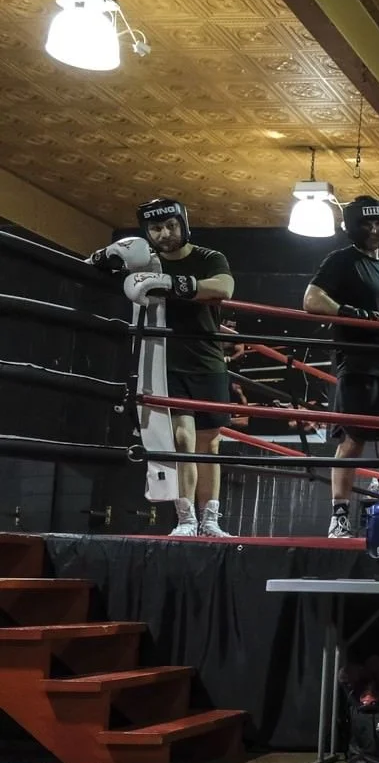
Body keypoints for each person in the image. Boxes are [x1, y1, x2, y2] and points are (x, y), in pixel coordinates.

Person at [303, 196, 379, 537]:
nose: (374, 229)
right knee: (352, 442)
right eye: (367, 223)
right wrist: (357, 315)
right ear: (354, 226)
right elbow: (311, 300)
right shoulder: (341, 261)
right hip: (359, 363)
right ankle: (339, 517)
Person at [127, 198, 237, 537]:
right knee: (181, 437)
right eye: (156, 228)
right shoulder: (147, 264)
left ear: (183, 224)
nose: (164, 233)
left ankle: (211, 521)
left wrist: (178, 285)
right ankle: (186, 519)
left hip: (207, 360)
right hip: (166, 362)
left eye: (170, 225)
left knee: (210, 442)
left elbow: (225, 287)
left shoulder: (207, 257)